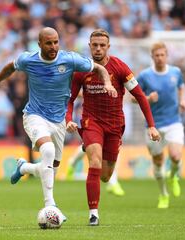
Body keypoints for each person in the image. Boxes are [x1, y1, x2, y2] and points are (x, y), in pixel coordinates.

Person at [0, 27, 117, 219]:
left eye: (56, 42)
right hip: (34, 115)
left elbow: (99, 68)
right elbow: (10, 67)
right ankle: (51, 207)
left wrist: (108, 83)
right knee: (47, 151)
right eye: (48, 43)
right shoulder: (28, 59)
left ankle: (24, 168)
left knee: (50, 169)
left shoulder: (69, 59)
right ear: (40, 44)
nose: (53, 46)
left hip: (59, 121)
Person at [66, 29, 160, 226]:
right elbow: (70, 99)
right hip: (91, 122)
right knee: (95, 162)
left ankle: (88, 146)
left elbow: (141, 96)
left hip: (115, 125)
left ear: (108, 47)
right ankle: (93, 214)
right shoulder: (81, 69)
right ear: (89, 46)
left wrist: (151, 126)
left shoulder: (120, 67)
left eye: (102, 45)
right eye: (95, 45)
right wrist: (68, 119)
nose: (98, 48)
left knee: (106, 177)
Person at [137, 42, 185, 209]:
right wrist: (148, 98)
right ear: (152, 57)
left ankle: (173, 176)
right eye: (156, 55)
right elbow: (132, 97)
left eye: (162, 55)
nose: (160, 58)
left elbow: (181, 86)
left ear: (167, 56)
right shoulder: (145, 75)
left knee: (175, 156)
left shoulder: (175, 72)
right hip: (153, 125)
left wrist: (182, 99)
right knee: (158, 162)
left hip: (173, 121)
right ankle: (163, 194)